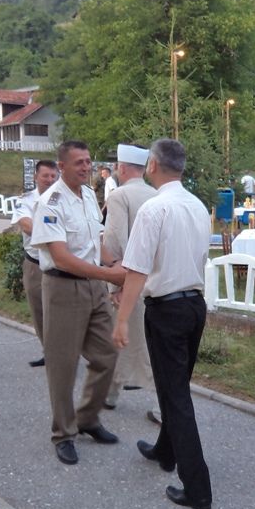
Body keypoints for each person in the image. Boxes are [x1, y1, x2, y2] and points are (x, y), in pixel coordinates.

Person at [112, 138, 213, 509]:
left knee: (175, 395)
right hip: (194, 305)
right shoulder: (197, 206)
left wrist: (122, 319)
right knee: (176, 386)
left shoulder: (154, 208)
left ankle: (197, 488)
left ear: (152, 165)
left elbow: (136, 270)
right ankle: (165, 450)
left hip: (167, 308)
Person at [29, 140, 126, 465]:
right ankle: (63, 433)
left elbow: (95, 241)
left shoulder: (87, 195)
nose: (86, 167)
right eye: (79, 162)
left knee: (107, 353)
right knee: (63, 365)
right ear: (62, 167)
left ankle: (87, 418)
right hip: (63, 288)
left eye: (88, 161)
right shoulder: (50, 203)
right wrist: (108, 274)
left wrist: (113, 265)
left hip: (94, 287)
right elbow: (61, 258)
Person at [102, 144, 158, 416]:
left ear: (121, 168)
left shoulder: (119, 196)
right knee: (145, 340)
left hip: (130, 277)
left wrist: (116, 284)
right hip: (156, 279)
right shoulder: (157, 195)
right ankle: (113, 392)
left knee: (126, 338)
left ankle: (115, 394)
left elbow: (114, 239)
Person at [12, 158, 59, 367]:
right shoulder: (26, 200)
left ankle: (64, 352)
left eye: (53, 176)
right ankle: (49, 352)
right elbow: (26, 225)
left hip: (59, 263)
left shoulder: (62, 199)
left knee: (60, 311)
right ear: (36, 177)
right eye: (45, 176)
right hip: (35, 264)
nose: (50, 179)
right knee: (39, 310)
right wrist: (55, 234)